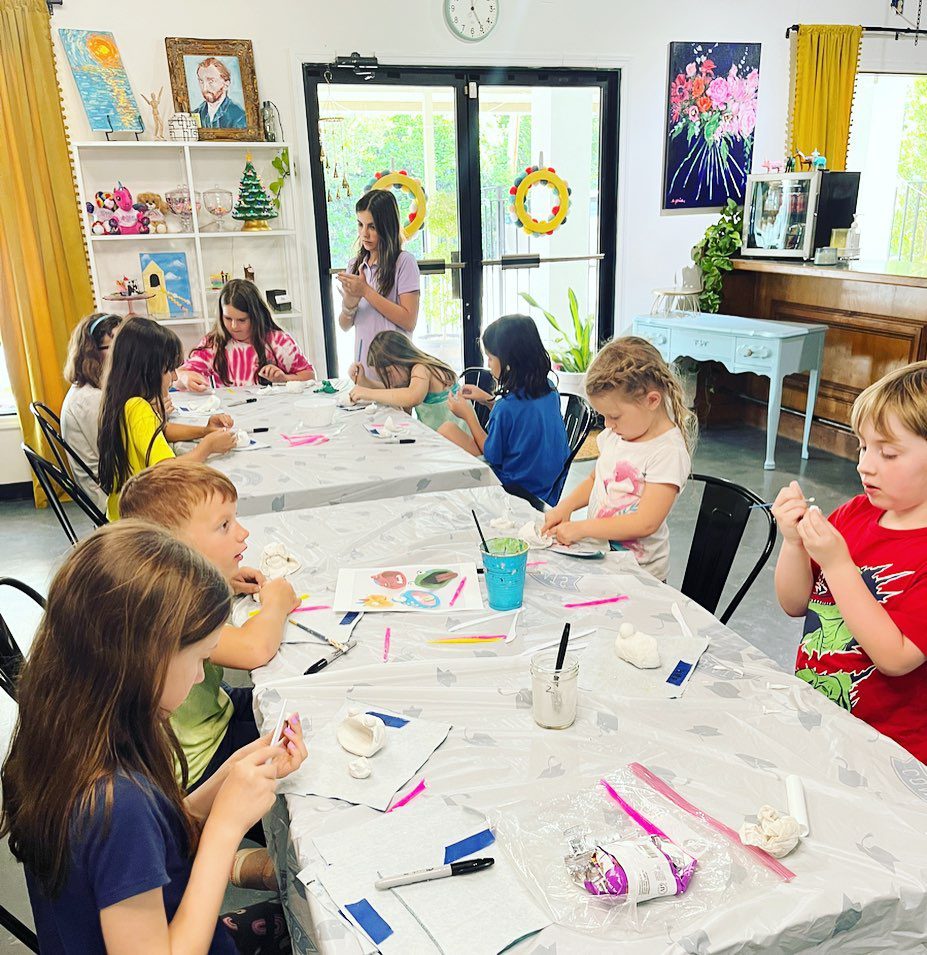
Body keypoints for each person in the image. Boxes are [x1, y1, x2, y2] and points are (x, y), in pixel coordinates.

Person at [0, 521, 307, 953]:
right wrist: (225, 827)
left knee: (300, 913)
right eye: (198, 659)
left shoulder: (68, 740)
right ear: (145, 663)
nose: (202, 675)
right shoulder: (115, 804)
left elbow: (150, 838)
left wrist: (226, 779)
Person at [772, 361, 927, 763]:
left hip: (890, 753)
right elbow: (795, 603)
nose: (865, 464)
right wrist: (792, 543)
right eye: (863, 446)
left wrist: (839, 566)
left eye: (888, 453)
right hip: (818, 722)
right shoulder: (856, 513)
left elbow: (896, 657)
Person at [542, 336, 695, 579]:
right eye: (603, 416)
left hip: (640, 577)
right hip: (604, 563)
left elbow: (645, 522)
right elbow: (595, 478)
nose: (607, 424)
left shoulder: (667, 452)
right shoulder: (618, 434)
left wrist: (581, 529)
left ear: (652, 400)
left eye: (614, 416)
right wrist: (566, 507)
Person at [97, 317, 236, 520]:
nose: (174, 378)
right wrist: (207, 447)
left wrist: (204, 431)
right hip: (141, 520)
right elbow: (167, 471)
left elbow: (161, 430)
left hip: (122, 512)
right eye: (168, 370)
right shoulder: (138, 408)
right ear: (147, 370)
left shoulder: (123, 399)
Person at [443, 315, 570, 505]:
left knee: (447, 430)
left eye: (491, 358)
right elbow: (522, 420)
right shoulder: (549, 390)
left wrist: (468, 414)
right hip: (548, 488)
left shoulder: (506, 408)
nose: (488, 364)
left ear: (509, 362)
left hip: (516, 490)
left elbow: (492, 454)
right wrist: (487, 399)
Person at [337, 189, 420, 377]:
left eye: (372, 227)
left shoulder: (404, 262)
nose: (364, 234)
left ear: (387, 226)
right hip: (364, 368)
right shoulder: (355, 265)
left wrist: (366, 291)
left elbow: (409, 321)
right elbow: (343, 325)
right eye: (360, 225)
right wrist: (349, 305)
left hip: (396, 369)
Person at [176, 279, 315, 391]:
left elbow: (310, 376)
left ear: (256, 316)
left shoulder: (278, 342)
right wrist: (185, 378)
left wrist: (283, 379)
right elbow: (176, 377)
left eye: (242, 320)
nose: (234, 326)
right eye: (228, 319)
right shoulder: (214, 344)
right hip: (230, 418)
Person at [348, 330, 467, 434]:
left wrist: (367, 393)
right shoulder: (412, 374)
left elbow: (412, 397)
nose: (389, 381)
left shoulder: (421, 369)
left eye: (388, 373)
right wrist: (363, 381)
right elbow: (390, 391)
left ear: (400, 359)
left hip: (462, 447)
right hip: (443, 441)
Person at [60, 312, 122, 511]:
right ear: (93, 352)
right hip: (108, 498)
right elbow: (117, 459)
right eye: (114, 348)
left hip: (110, 484)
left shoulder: (96, 388)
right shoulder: (89, 400)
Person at [192, 56, 246, 129]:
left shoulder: (239, 116)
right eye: (201, 81)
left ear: (226, 84)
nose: (205, 88)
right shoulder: (196, 114)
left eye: (211, 81)